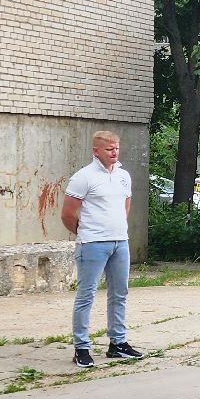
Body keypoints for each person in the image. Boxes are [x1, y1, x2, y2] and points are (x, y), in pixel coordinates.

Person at [61, 130, 140, 369]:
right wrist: (88, 233)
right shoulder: (83, 177)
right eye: (109, 149)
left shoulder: (124, 176)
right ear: (96, 151)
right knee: (87, 294)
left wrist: (116, 230)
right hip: (93, 244)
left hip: (120, 242)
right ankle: (81, 348)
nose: (114, 152)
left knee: (119, 293)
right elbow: (67, 214)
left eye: (116, 148)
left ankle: (118, 343)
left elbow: (125, 206)